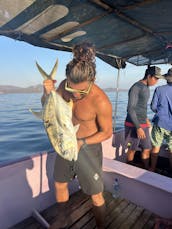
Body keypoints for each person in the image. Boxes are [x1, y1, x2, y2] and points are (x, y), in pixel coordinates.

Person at [42, 42, 113, 229]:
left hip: (88, 148)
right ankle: (63, 218)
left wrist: (82, 141)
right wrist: (46, 93)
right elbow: (48, 107)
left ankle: (100, 225)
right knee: (59, 183)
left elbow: (107, 132)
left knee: (95, 194)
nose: (75, 96)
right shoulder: (65, 86)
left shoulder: (101, 100)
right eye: (72, 90)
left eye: (81, 92)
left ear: (92, 80)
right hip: (66, 145)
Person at [125, 66, 163, 169]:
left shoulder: (146, 87)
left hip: (143, 123)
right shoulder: (136, 87)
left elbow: (141, 107)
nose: (157, 81)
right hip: (133, 124)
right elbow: (131, 108)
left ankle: (147, 170)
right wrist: (138, 127)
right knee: (132, 149)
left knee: (147, 148)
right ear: (149, 76)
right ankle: (129, 169)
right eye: (156, 78)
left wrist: (146, 119)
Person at [149, 68, 172, 172]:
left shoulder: (159, 89)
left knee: (156, 147)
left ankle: (152, 168)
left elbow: (153, 107)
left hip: (159, 122)